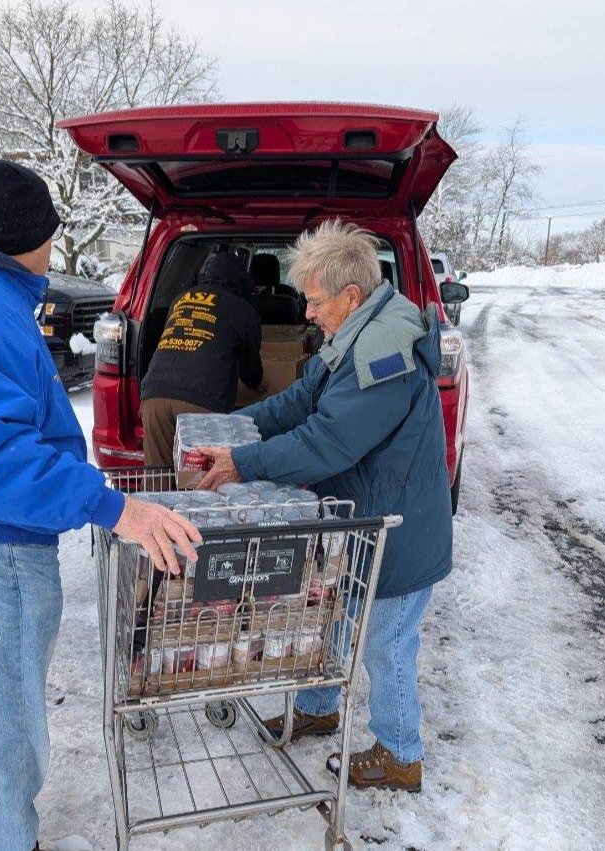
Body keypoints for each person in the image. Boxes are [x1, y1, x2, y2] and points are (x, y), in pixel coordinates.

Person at [0, 159, 201, 851]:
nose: (53, 249)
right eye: (49, 234)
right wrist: (118, 509)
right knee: (6, 731)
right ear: (26, 235)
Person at [200, 219, 453, 792]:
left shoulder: (385, 356)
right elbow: (301, 398)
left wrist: (245, 463)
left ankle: (400, 754)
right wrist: (243, 424)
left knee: (386, 647)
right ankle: (318, 707)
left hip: (398, 533)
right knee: (328, 621)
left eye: (315, 302)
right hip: (358, 521)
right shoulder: (357, 334)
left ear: (350, 296)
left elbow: (328, 441)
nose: (308, 313)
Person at [140, 250, 266, 466]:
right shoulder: (242, 310)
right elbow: (251, 371)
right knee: (202, 480)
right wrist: (259, 385)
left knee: (157, 476)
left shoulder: (180, 299)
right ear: (240, 280)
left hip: (154, 398)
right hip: (201, 404)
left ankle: (154, 501)